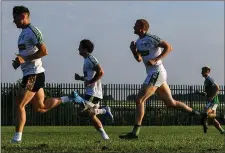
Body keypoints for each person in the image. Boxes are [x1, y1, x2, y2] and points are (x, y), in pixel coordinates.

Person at [11, 5, 92, 143]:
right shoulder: (22, 34)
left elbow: (44, 51)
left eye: (15, 17)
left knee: (19, 104)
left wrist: (24, 59)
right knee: (41, 107)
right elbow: (27, 54)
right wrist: (19, 61)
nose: (13, 21)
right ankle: (69, 98)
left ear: (23, 16)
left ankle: (17, 138)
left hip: (33, 74)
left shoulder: (33, 31)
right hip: (32, 73)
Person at [119, 19, 201, 139]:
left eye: (135, 25)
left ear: (142, 27)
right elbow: (139, 59)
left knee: (139, 100)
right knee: (171, 103)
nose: (133, 27)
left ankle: (134, 133)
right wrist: (134, 52)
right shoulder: (138, 41)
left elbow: (169, 47)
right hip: (154, 73)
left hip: (157, 72)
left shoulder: (152, 38)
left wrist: (156, 60)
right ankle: (199, 115)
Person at [75, 39, 114, 140]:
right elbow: (90, 77)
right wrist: (80, 78)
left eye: (80, 46)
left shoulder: (91, 59)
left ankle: (104, 110)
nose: (78, 48)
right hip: (91, 91)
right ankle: (105, 136)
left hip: (93, 92)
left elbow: (100, 72)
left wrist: (91, 81)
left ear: (85, 49)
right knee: (91, 116)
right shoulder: (86, 60)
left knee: (83, 112)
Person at [195, 66, 225, 134]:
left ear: (207, 71)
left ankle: (206, 122)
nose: (201, 73)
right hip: (211, 101)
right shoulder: (206, 80)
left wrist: (212, 97)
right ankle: (222, 131)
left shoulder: (209, 79)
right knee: (212, 118)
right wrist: (200, 93)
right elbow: (207, 93)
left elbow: (217, 88)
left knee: (206, 110)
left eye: (202, 71)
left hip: (214, 100)